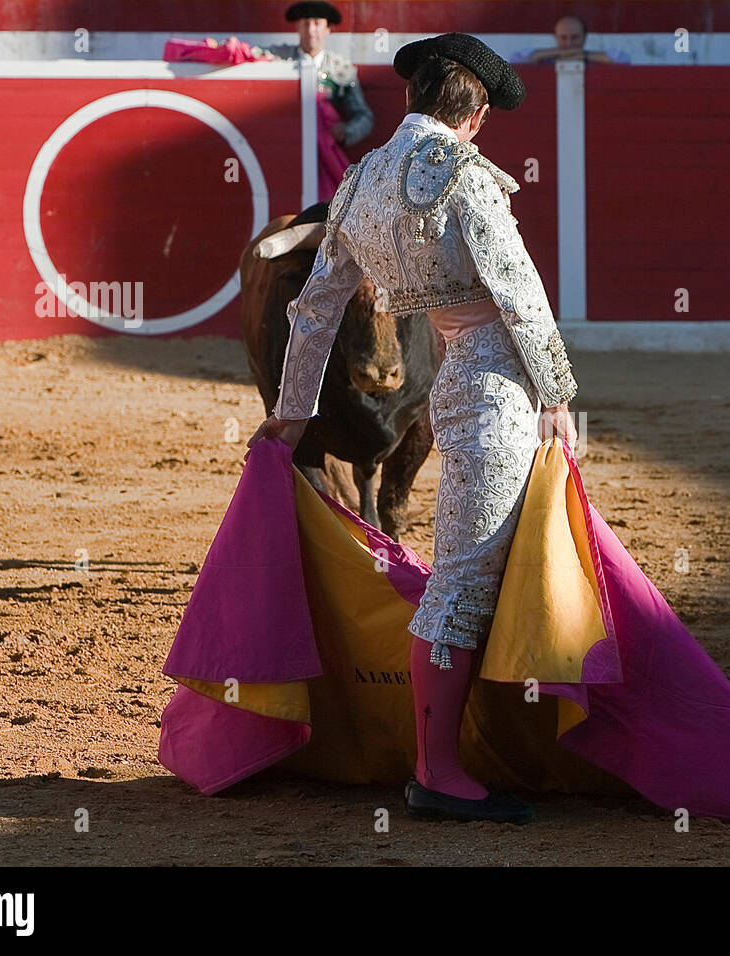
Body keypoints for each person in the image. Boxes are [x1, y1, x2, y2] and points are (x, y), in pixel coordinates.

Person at [246, 33, 578, 824]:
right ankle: (441, 771)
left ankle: (460, 755)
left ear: (411, 98)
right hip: (494, 387)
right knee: (465, 582)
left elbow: (314, 309)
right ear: (479, 114)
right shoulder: (465, 177)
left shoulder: (360, 184)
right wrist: (559, 394)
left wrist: (291, 414)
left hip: (450, 381)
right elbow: (522, 296)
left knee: (473, 571)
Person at [261, 1, 374, 200]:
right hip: (284, 150)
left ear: (328, 28)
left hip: (323, 155)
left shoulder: (341, 69)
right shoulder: (277, 59)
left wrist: (346, 131)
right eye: (305, 23)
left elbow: (364, 117)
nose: (311, 30)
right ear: (297, 26)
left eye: (316, 23)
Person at [514, 14, 628, 65]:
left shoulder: (596, 61)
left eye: (575, 37)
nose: (569, 43)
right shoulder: (543, 60)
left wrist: (585, 56)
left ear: (584, 38)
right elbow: (515, 60)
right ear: (555, 38)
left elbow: (623, 60)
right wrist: (556, 52)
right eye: (563, 38)